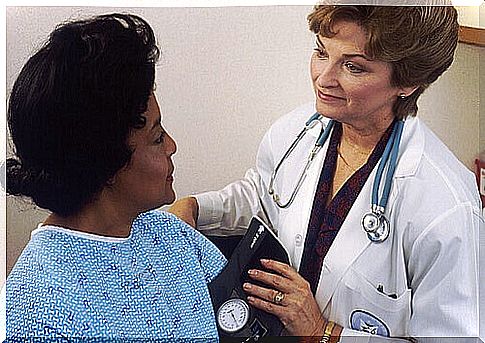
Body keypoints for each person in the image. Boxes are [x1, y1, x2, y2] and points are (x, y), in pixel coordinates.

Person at [170, 4, 483, 342]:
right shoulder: (297, 131)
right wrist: (197, 208)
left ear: (408, 82)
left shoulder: (445, 206)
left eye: (352, 67)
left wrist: (324, 333)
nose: (323, 78)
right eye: (321, 52)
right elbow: (264, 194)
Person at [2, 13, 226, 339]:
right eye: (157, 137)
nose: (172, 146)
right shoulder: (37, 306)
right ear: (105, 164)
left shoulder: (171, 235)